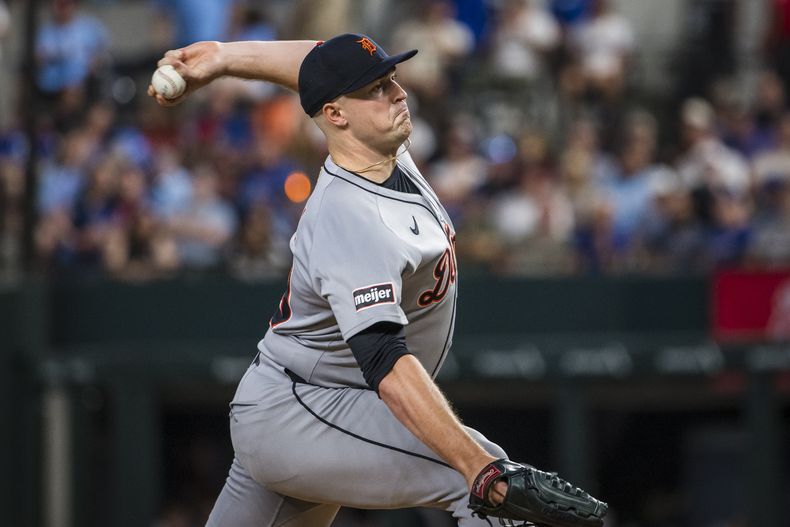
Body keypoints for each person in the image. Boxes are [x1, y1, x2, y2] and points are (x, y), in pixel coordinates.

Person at [150, 33, 606, 526]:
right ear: (336, 115)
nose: (398, 93)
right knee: (486, 481)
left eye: (391, 79)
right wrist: (482, 471)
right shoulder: (349, 215)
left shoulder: (382, 152)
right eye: (377, 89)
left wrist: (223, 57)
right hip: (303, 412)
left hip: (309, 406)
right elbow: (385, 362)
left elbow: (321, 61)